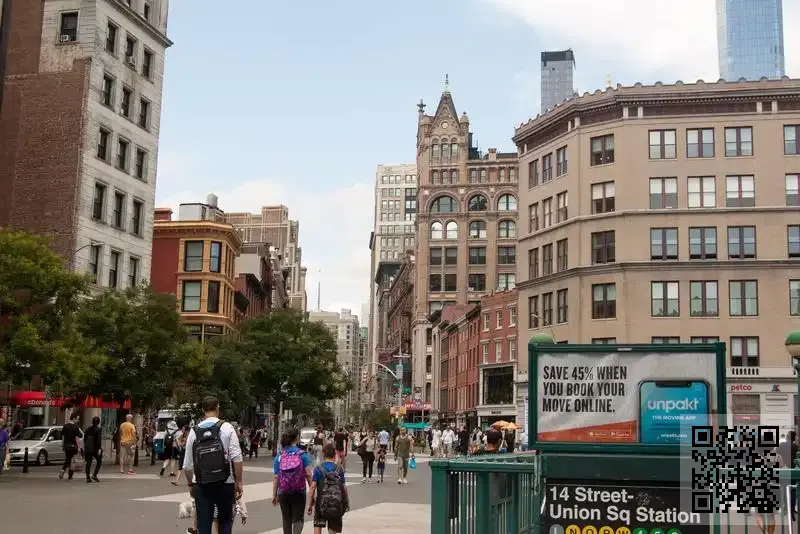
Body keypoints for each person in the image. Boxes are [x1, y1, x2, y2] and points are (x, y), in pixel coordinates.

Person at [183, 396, 244, 534]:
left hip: (202, 484)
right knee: (225, 520)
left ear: (203, 410)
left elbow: (187, 465)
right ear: (217, 408)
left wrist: (191, 484)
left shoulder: (194, 431)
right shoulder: (227, 428)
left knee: (204, 523)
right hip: (225, 482)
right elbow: (237, 458)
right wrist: (238, 482)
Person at [273, 428, 313, 534]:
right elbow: (308, 475)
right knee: (298, 518)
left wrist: (274, 494)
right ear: (297, 438)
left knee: (286, 519)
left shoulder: (280, 455)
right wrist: (312, 491)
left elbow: (276, 477)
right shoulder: (303, 454)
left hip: (283, 491)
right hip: (299, 491)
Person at [307, 443, 348, 534]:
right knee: (333, 529)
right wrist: (346, 502)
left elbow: (313, 487)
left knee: (318, 525)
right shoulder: (339, 469)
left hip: (321, 503)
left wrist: (309, 504)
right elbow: (343, 487)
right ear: (334, 454)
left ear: (323, 454)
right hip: (335, 503)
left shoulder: (318, 469)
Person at [59, 412, 83, 480]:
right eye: (77, 419)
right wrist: (79, 447)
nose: (78, 420)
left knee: (68, 459)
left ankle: (63, 469)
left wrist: (63, 445)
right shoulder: (76, 427)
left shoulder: (65, 426)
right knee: (73, 461)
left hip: (67, 445)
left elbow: (63, 437)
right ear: (74, 418)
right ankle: (70, 475)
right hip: (74, 446)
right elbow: (77, 438)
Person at [83, 416, 103, 483]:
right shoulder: (98, 429)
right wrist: (99, 448)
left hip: (89, 448)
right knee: (99, 461)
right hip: (96, 448)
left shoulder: (87, 429)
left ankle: (88, 477)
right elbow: (99, 440)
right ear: (98, 422)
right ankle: (94, 475)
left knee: (88, 462)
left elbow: (84, 439)